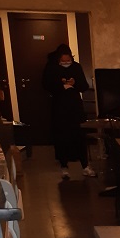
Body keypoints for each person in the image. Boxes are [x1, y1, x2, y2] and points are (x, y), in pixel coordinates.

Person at [41, 44, 96, 180]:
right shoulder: (51, 67)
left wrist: (74, 83)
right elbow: (45, 84)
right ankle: (64, 166)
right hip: (59, 106)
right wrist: (61, 85)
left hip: (75, 106)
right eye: (63, 61)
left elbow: (84, 86)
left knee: (79, 134)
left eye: (68, 61)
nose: (66, 63)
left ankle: (85, 165)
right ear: (59, 59)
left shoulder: (76, 67)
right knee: (61, 136)